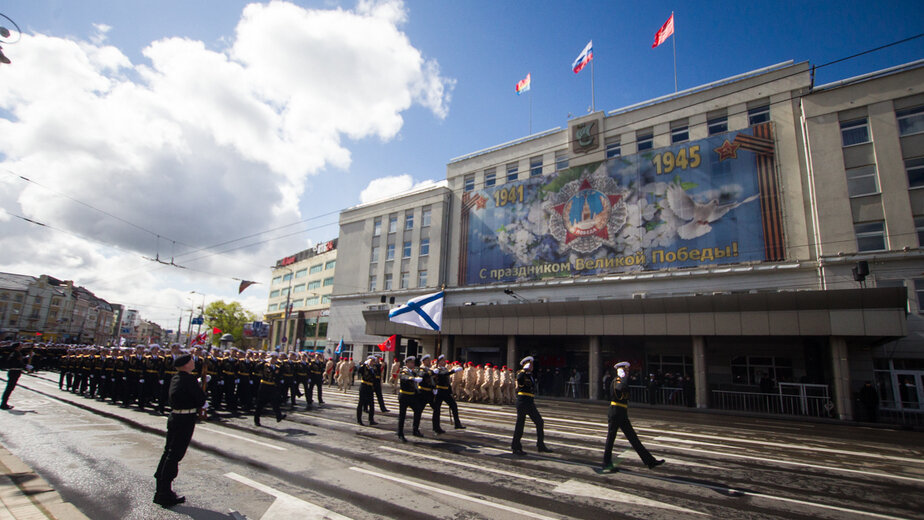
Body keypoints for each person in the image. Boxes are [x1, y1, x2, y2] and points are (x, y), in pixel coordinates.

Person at [153, 352, 206, 508]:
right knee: (174, 455)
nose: (193, 362)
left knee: (168, 452)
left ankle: (161, 488)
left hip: (176, 418)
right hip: (184, 419)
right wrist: (200, 388)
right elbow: (200, 399)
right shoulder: (188, 379)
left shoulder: (177, 378)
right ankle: (164, 493)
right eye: (191, 361)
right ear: (185, 365)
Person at [601, 362, 664, 473]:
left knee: (634, 439)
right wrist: (622, 377)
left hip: (622, 412)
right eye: (625, 371)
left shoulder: (622, 381)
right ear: (620, 371)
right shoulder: (617, 381)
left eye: (627, 371)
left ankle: (650, 461)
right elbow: (620, 390)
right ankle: (606, 463)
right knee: (611, 439)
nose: (627, 373)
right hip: (615, 412)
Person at [511, 356, 552, 456]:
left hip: (530, 402)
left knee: (539, 421)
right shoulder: (522, 374)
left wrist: (528, 372)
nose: (532, 366)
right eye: (531, 364)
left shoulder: (530, 375)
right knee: (520, 425)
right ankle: (516, 447)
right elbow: (519, 379)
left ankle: (540, 445)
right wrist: (524, 370)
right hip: (522, 401)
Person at [432, 355, 465, 433]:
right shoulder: (437, 369)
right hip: (439, 391)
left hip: (446, 392)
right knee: (437, 410)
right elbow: (444, 375)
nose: (444, 362)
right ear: (439, 362)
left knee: (454, 405)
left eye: (444, 360)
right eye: (442, 361)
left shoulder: (445, 369)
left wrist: (450, 391)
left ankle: (457, 423)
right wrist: (454, 371)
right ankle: (436, 427)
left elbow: (447, 382)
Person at [254, 353, 286, 426]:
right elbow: (256, 368)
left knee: (275, 402)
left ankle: (279, 416)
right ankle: (256, 419)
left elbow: (279, 375)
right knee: (260, 404)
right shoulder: (264, 365)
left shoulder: (277, 367)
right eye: (272, 358)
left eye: (275, 359)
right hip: (264, 386)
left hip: (272, 386)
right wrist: (264, 361)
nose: (274, 360)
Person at [397, 356, 423, 442]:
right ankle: (400, 433)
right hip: (404, 396)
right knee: (402, 415)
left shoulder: (413, 371)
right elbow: (404, 377)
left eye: (413, 362)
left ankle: (415, 430)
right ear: (407, 363)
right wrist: (413, 378)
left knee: (418, 410)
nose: (413, 364)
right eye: (411, 362)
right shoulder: (404, 371)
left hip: (412, 396)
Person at [1, 342, 32, 410]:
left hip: (15, 372)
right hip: (14, 372)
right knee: (9, 388)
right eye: (20, 346)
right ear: (17, 347)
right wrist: (25, 366)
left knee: (10, 388)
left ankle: (4, 403)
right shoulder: (15, 354)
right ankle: (3, 404)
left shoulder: (17, 353)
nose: (22, 346)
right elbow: (15, 363)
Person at [356, 356, 378, 426]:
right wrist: (364, 364)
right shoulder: (365, 367)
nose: (372, 363)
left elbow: (374, 378)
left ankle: (371, 420)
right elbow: (359, 371)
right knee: (361, 403)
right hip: (364, 386)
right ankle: (359, 420)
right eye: (371, 361)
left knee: (371, 404)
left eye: (373, 361)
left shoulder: (373, 369)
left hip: (370, 387)